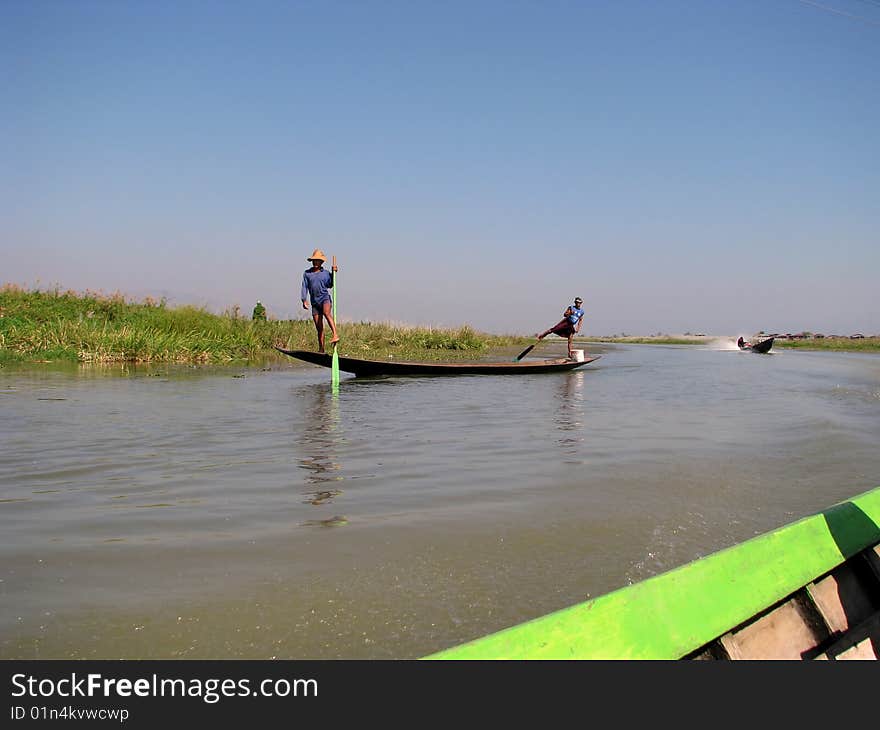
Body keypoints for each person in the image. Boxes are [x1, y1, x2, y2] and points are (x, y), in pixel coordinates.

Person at [301, 248, 339, 353]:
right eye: (314, 260)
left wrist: (333, 272)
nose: (315, 262)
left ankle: (335, 334)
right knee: (319, 327)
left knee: (327, 313)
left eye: (318, 260)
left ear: (321, 262)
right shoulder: (307, 274)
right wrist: (304, 300)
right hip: (315, 303)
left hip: (324, 299)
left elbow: (331, 284)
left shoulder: (325, 273)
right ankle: (321, 349)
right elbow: (304, 287)